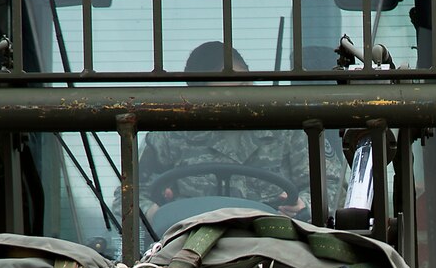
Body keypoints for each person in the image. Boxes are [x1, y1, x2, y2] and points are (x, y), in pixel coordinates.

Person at [138, 41, 349, 220]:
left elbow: (333, 186)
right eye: (225, 95)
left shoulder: (286, 128)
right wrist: (156, 213)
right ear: (199, 96)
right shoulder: (171, 135)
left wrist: (304, 205)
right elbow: (129, 194)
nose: (239, 99)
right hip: (188, 248)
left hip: (275, 248)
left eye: (245, 85)